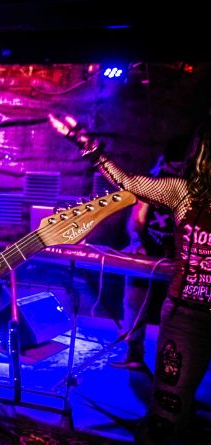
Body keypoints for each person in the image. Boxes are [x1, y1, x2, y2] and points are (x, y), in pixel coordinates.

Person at [49, 113, 211, 444]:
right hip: (187, 317)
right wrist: (85, 142)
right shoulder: (184, 193)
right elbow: (129, 184)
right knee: (168, 412)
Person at [112, 137, 188, 371]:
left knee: (177, 311)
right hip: (149, 251)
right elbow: (137, 217)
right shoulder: (155, 182)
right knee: (134, 303)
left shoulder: (192, 187)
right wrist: (137, 241)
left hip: (178, 256)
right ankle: (134, 353)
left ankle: (175, 362)